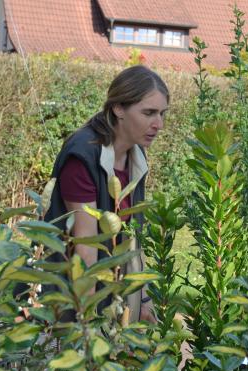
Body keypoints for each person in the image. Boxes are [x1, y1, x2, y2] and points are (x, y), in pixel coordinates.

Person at [44, 65, 169, 323]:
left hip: (115, 294)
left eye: (161, 113)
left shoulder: (136, 156)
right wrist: (87, 327)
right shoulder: (83, 155)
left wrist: (142, 298)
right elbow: (86, 248)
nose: (159, 124)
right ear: (118, 108)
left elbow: (132, 236)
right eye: (149, 113)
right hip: (73, 294)